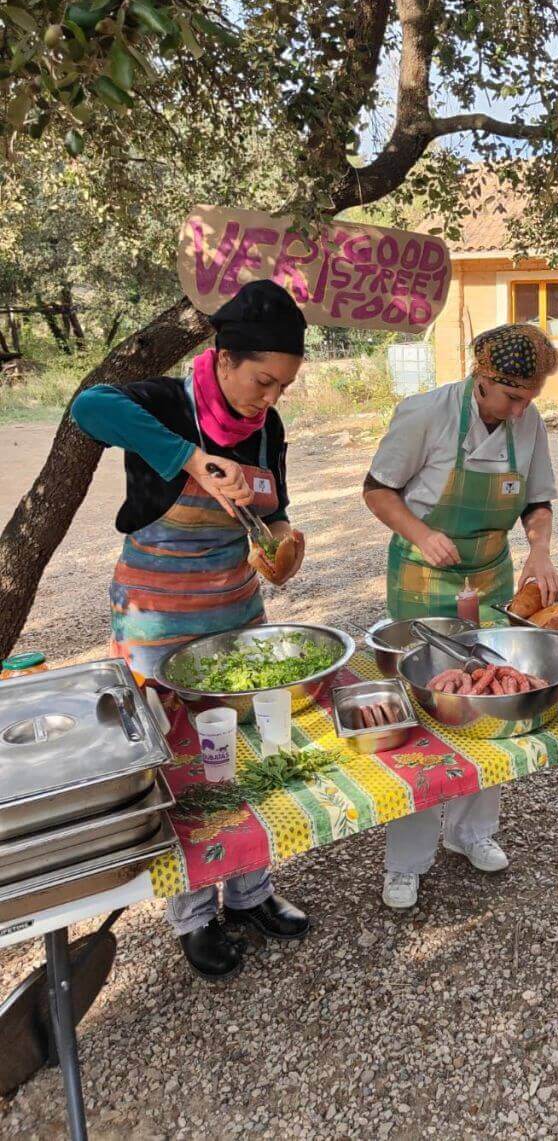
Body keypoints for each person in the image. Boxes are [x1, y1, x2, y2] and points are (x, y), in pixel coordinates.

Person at [71, 280, 311, 983]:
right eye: (262, 379)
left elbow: (278, 512)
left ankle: (250, 892)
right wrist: (191, 461)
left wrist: (283, 544)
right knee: (176, 766)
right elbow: (88, 405)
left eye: (282, 386)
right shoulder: (165, 404)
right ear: (224, 357)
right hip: (157, 618)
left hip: (236, 614)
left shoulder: (267, 427)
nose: (269, 397)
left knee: (247, 752)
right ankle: (194, 916)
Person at [364, 323, 558, 909]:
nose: (523, 408)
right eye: (514, 397)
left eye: (531, 398)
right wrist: (421, 533)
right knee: (424, 713)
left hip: (490, 574)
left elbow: (537, 498)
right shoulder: (425, 413)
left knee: (490, 703)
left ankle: (472, 832)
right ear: (481, 380)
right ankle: (407, 861)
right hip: (425, 576)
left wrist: (541, 549)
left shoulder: (529, 422)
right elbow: (378, 490)